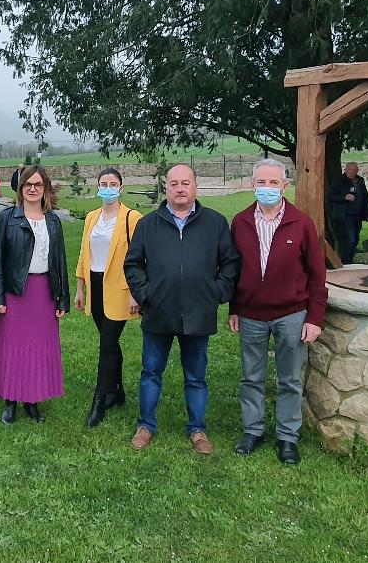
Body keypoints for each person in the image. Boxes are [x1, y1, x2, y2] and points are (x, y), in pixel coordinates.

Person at [124, 164, 239, 455]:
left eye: (185, 183)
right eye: (174, 183)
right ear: (166, 188)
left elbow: (230, 263)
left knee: (196, 375)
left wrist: (216, 293)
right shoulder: (148, 224)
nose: (179, 189)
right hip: (158, 312)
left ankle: (198, 429)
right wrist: (146, 294)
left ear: (195, 187)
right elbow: (133, 264)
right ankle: (146, 425)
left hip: (198, 313)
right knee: (151, 372)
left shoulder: (214, 223)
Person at [229, 159, 326, 466]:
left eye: (274, 183)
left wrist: (314, 318)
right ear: (252, 184)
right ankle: (253, 430)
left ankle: (287, 436)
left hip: (291, 314)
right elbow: (233, 271)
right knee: (252, 376)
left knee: (289, 379)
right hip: (251, 314)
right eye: (262, 182)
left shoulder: (301, 223)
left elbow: (317, 274)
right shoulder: (241, 222)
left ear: (285, 186)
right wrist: (234, 308)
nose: (267, 188)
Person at [0, 165, 68, 424]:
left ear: (44, 189)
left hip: (44, 293)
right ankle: (10, 400)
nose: (32, 189)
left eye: (38, 185)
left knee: (38, 348)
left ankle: (33, 401)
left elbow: (60, 261)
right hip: (16, 292)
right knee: (14, 348)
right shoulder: (8, 218)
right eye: (27, 185)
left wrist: (62, 298)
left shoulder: (53, 220)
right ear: (20, 188)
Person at [74, 168, 142, 427]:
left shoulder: (132, 218)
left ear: (121, 188)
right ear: (97, 187)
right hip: (95, 284)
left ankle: (100, 399)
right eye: (103, 183)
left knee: (107, 343)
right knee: (110, 343)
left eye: (113, 184)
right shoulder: (92, 218)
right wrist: (80, 288)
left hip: (120, 288)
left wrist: (136, 291)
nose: (108, 188)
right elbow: (83, 254)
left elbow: (141, 258)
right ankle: (118, 391)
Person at [328, 162, 368, 265]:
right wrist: (344, 197)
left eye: (355, 170)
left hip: (357, 215)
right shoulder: (339, 181)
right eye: (350, 170)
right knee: (349, 240)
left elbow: (365, 197)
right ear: (346, 170)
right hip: (344, 216)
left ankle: (350, 260)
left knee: (355, 240)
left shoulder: (360, 181)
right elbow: (330, 196)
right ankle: (346, 263)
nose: (353, 172)